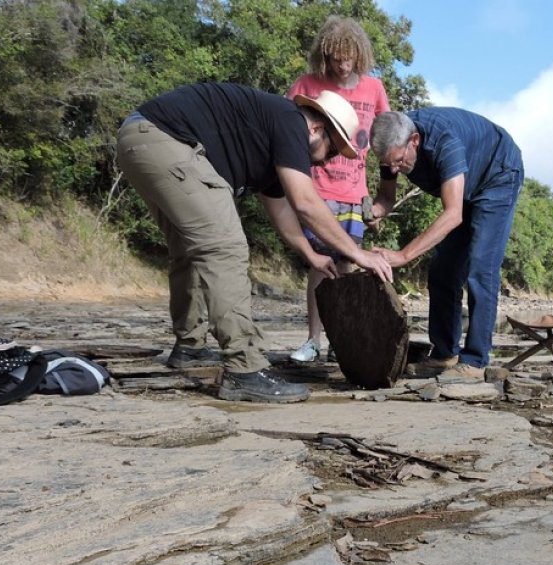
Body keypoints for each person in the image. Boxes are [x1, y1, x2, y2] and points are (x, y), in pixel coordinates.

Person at [116, 82, 392, 403]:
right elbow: (305, 202)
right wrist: (357, 253)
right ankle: (244, 370)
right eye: (332, 150)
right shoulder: (292, 121)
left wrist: (310, 253)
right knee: (226, 248)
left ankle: (189, 348)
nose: (325, 162)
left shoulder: (272, 139)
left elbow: (283, 211)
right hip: (166, 140)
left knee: (189, 252)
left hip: (139, 138)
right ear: (317, 129)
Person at [368, 109, 524, 382]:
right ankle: (445, 354)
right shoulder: (391, 147)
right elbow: (386, 199)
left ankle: (475, 361)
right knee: (443, 271)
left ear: (414, 141)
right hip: (466, 187)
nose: (393, 170)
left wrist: (403, 255)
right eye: (387, 164)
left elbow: (453, 214)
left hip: (497, 174)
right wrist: (370, 213)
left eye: (399, 162)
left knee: (481, 266)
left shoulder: (445, 142)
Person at [285, 16, 391, 364]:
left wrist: (381, 201)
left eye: (349, 59)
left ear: (360, 55)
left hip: (354, 192)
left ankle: (339, 340)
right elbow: (285, 130)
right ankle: (313, 340)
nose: (343, 66)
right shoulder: (308, 84)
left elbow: (385, 142)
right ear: (325, 55)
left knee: (347, 266)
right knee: (321, 264)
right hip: (316, 188)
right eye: (336, 59)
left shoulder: (374, 89)